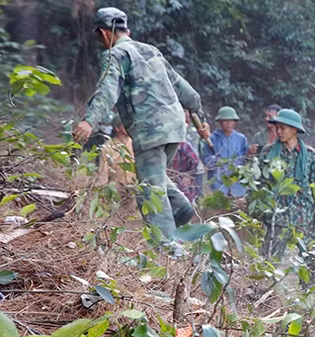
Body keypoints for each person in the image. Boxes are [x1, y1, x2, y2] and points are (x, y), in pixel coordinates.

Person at [72, 7, 207, 242]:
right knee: (153, 176)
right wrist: (200, 116)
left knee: (150, 192)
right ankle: (182, 208)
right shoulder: (151, 51)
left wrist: (89, 120)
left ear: (104, 33)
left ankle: (166, 249)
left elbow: (107, 90)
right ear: (127, 30)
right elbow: (187, 91)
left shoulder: (115, 54)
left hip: (149, 130)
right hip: (175, 127)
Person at [259, 108, 315, 236]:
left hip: (303, 218)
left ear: (294, 129)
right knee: (271, 255)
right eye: (277, 128)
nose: (278, 132)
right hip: (275, 218)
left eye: (283, 128)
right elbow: (260, 182)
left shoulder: (310, 155)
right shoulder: (268, 152)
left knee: (306, 255)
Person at [202, 106, 249, 198]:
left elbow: (245, 160)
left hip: (237, 184)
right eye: (225, 121)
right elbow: (206, 160)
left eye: (231, 121)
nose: (228, 124)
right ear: (220, 122)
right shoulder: (212, 139)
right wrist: (217, 161)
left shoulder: (241, 139)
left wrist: (249, 153)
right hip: (217, 182)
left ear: (235, 122)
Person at [97, 115, 134, 189]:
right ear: (117, 128)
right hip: (116, 191)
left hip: (134, 190)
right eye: (125, 124)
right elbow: (103, 173)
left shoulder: (135, 143)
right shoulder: (108, 147)